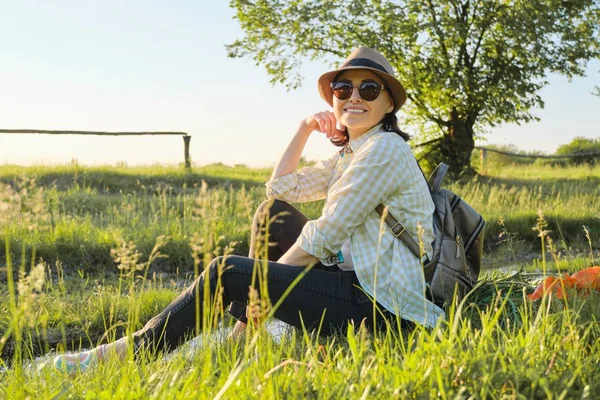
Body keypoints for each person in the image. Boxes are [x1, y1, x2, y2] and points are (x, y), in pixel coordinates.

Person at [53, 46, 444, 374]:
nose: (354, 96)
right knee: (273, 212)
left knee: (228, 270)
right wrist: (305, 127)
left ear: (388, 102)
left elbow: (323, 237)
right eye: (344, 88)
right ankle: (244, 333)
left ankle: (132, 352)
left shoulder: (385, 150)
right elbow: (280, 188)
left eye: (369, 89)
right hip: (357, 282)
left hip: (382, 305)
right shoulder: (351, 154)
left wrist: (256, 287)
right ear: (334, 99)